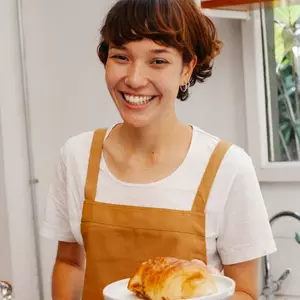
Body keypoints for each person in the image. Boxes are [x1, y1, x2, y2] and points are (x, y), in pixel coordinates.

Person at [40, 0, 277, 299]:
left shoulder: (228, 167)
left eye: (158, 61)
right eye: (121, 56)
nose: (135, 79)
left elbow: (246, 293)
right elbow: (69, 262)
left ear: (186, 68)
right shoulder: (76, 157)